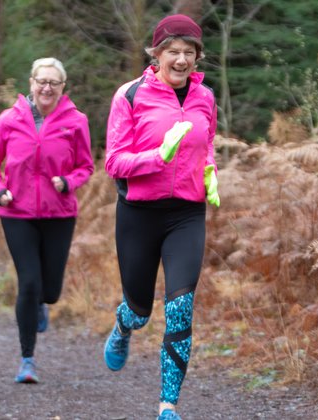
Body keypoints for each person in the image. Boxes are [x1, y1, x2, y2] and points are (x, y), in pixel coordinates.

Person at [102, 14, 220, 420]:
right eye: (174, 52)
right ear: (157, 55)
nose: (182, 60)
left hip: (187, 214)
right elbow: (114, 162)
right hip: (139, 214)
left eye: (190, 53)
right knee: (139, 309)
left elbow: (208, 146)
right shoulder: (130, 95)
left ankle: (168, 405)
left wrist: (211, 175)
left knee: (180, 306)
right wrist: (158, 157)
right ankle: (123, 327)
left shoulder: (205, 97)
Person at [0, 57, 94, 384]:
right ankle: (27, 360)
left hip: (59, 213)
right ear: (31, 82)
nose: (47, 88)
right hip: (16, 212)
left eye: (53, 83)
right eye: (41, 81)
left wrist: (68, 182)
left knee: (52, 291)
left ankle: (43, 304)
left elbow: (86, 166)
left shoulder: (76, 121)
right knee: (29, 284)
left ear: (63, 87)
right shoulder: (9, 119)